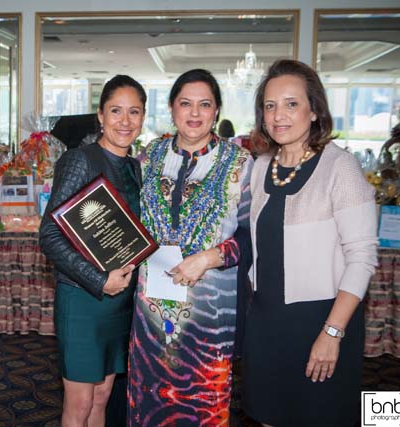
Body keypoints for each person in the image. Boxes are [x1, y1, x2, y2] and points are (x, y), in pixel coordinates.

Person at [241, 59, 378, 427]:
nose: (278, 115)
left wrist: (332, 333)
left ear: (314, 110)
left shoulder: (340, 167)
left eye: (291, 103)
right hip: (267, 322)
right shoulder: (260, 166)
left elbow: (362, 257)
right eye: (270, 105)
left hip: (321, 321)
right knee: (267, 416)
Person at [127, 69, 252, 426]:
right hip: (151, 307)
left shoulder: (241, 164)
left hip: (208, 313)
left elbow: (253, 237)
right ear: (171, 108)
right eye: (186, 103)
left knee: (203, 405)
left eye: (205, 104)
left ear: (217, 111)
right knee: (149, 400)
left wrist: (210, 258)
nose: (194, 113)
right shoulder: (148, 157)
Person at [39, 75, 146, 427]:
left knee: (102, 396)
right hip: (84, 297)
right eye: (116, 111)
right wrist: (99, 281)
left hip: (120, 302)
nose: (125, 121)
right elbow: (50, 235)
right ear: (100, 115)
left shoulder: (135, 168)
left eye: (134, 112)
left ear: (143, 118)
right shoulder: (79, 160)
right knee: (80, 402)